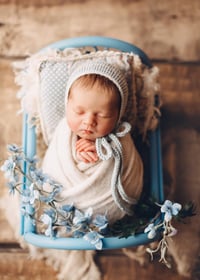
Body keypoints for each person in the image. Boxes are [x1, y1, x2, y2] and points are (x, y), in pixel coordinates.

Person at [42, 60, 143, 223]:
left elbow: (128, 168)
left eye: (103, 115)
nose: (89, 121)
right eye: (79, 111)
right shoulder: (63, 131)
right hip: (64, 198)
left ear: (118, 116)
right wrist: (76, 154)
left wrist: (104, 152)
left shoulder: (122, 136)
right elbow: (55, 161)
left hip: (110, 205)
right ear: (67, 106)